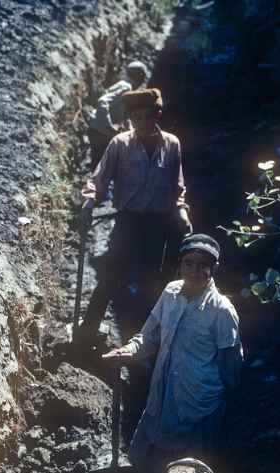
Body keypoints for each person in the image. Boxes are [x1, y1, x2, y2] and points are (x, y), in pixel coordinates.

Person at [103, 234, 242, 473]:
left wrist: (227, 402)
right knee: (149, 452)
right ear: (180, 265)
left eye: (203, 265)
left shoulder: (222, 311)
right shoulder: (170, 293)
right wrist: (128, 350)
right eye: (188, 263)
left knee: (189, 470)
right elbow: (150, 335)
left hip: (199, 401)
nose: (194, 271)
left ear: (214, 269)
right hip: (165, 391)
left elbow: (231, 363)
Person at [78, 87, 192, 345]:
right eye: (135, 117)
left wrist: (182, 212)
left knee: (151, 282)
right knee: (110, 277)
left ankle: (145, 339)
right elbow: (100, 178)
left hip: (158, 224)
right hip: (128, 221)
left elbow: (178, 187)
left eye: (146, 116)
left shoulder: (172, 144)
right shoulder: (120, 143)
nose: (141, 122)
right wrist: (88, 204)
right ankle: (85, 335)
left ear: (157, 114)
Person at [87, 60, 148, 170]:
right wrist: (108, 125)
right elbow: (103, 101)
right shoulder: (126, 87)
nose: (142, 81)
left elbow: (124, 116)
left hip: (98, 131)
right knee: (101, 168)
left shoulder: (124, 86)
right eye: (142, 78)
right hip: (100, 131)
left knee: (99, 167)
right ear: (139, 76)